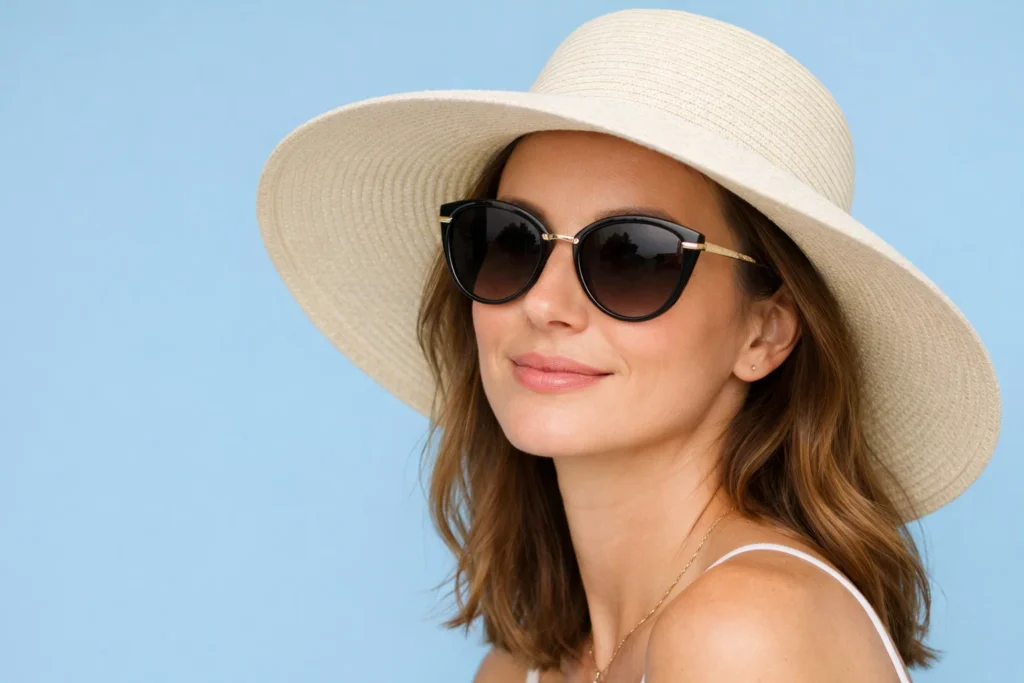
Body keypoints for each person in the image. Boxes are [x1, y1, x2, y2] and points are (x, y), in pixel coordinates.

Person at [254, 8, 1001, 682]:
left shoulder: (745, 633)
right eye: (510, 242)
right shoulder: (517, 672)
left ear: (764, 332)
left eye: (632, 258)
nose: (544, 303)